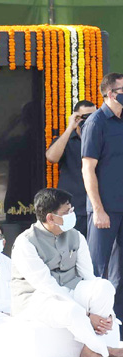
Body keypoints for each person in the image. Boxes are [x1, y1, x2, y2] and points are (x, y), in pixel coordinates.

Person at [11, 188, 123, 357]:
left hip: (71, 291)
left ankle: (89, 349)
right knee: (72, 311)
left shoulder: (76, 236)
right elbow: (46, 286)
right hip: (37, 299)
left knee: (103, 286)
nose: (72, 214)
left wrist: (107, 314)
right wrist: (87, 315)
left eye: (71, 210)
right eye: (66, 212)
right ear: (50, 217)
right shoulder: (25, 243)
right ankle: (103, 350)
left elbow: (89, 277)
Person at [82, 73, 123, 328]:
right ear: (110, 93)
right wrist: (98, 209)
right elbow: (88, 168)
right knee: (96, 272)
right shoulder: (96, 122)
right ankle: (91, 328)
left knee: (120, 276)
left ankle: (117, 331)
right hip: (104, 210)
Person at [45, 100, 96, 238]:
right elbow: (51, 157)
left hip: (99, 208)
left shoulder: (102, 138)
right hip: (73, 208)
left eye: (94, 115)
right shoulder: (66, 140)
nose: (90, 120)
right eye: (85, 117)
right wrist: (70, 128)